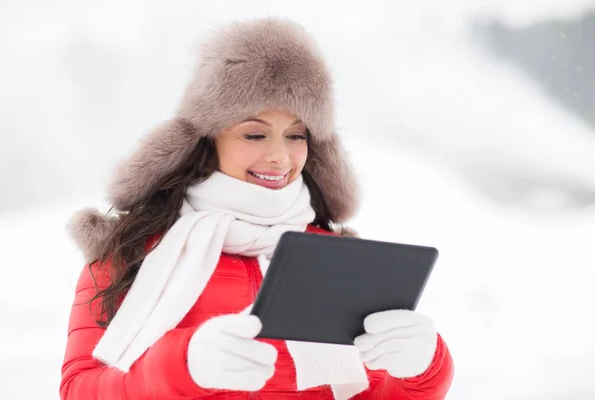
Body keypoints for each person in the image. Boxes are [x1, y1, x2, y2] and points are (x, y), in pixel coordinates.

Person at [60, 17, 454, 400]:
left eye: (296, 135)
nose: (280, 157)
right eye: (254, 133)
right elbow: (79, 390)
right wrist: (184, 365)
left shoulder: (333, 259)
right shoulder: (130, 254)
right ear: (208, 139)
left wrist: (426, 368)